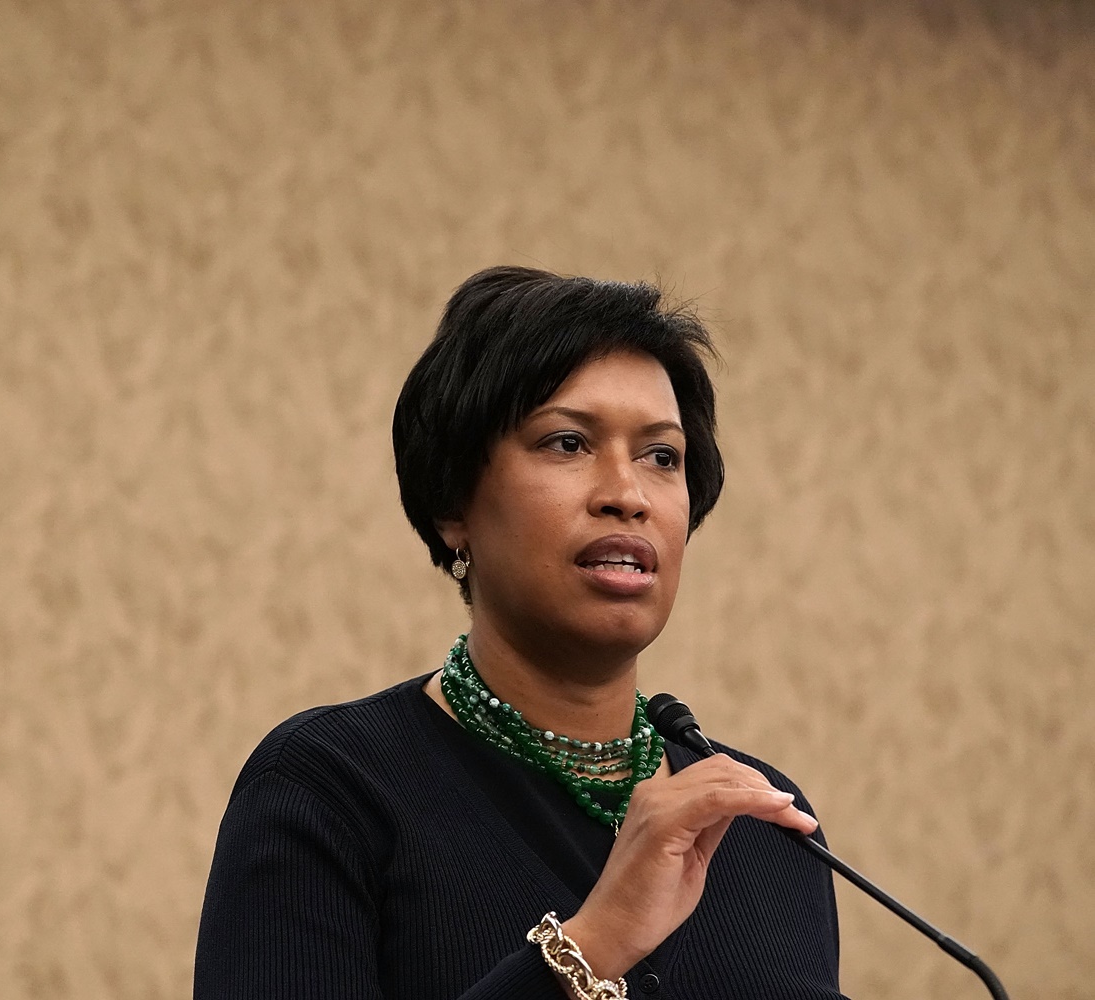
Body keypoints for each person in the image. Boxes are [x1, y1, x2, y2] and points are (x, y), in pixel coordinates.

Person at [195, 267, 844, 999]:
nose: (627, 495)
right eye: (568, 443)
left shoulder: (764, 820)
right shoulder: (329, 788)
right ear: (453, 504)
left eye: (663, 456)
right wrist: (590, 947)